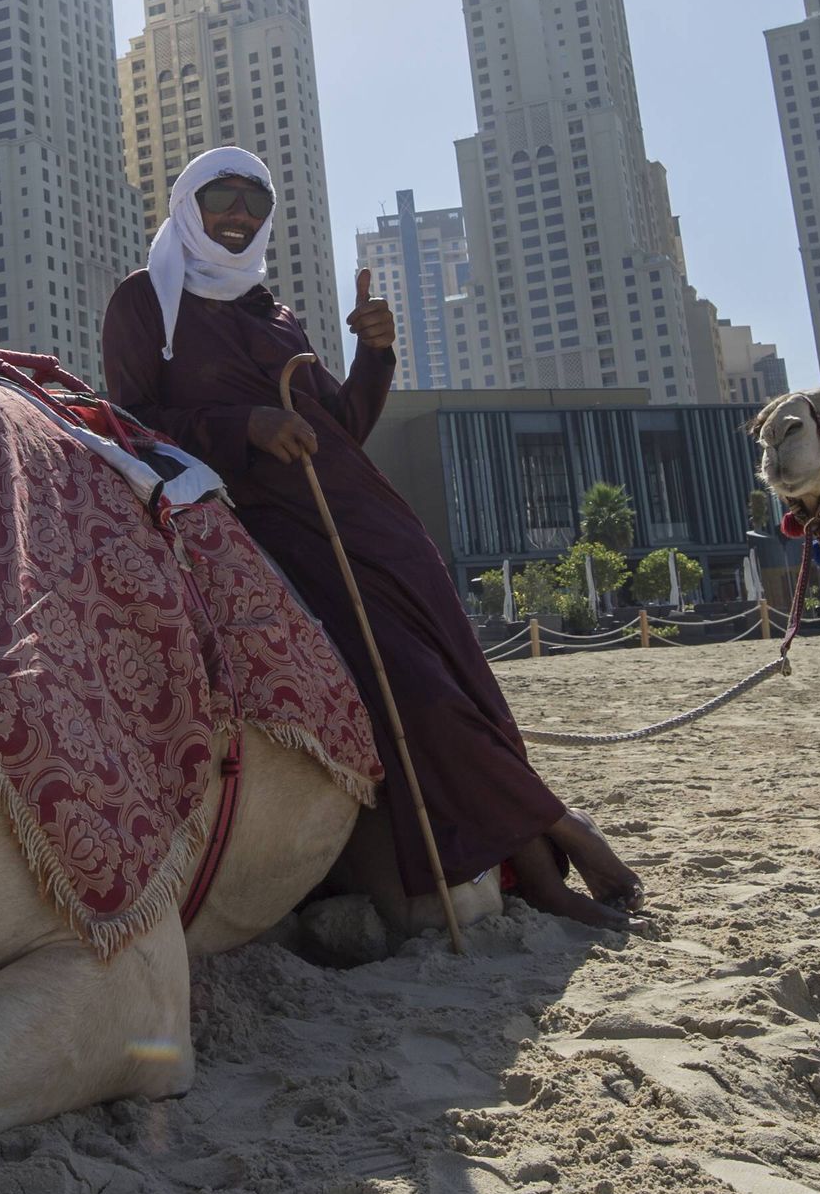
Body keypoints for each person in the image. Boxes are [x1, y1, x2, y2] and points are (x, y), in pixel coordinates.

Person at [104, 148, 641, 930]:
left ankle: (536, 871)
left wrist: (376, 352)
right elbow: (134, 426)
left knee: (461, 686)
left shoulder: (273, 314)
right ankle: (561, 829)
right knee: (415, 693)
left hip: (372, 523)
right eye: (221, 196)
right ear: (188, 201)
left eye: (256, 201)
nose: (239, 213)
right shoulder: (145, 303)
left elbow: (344, 424)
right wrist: (244, 425)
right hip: (275, 535)